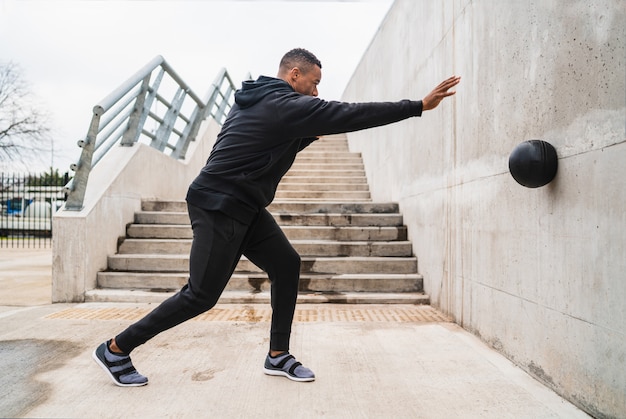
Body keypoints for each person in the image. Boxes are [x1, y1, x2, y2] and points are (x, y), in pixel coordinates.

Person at [93, 48, 461, 386]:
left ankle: (277, 354)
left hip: (244, 205)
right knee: (201, 296)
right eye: (314, 84)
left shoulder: (258, 102)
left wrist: (307, 136)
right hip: (218, 204)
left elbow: (267, 140)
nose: (317, 93)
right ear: (295, 75)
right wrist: (416, 106)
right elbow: (351, 112)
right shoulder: (285, 106)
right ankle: (116, 349)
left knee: (286, 264)